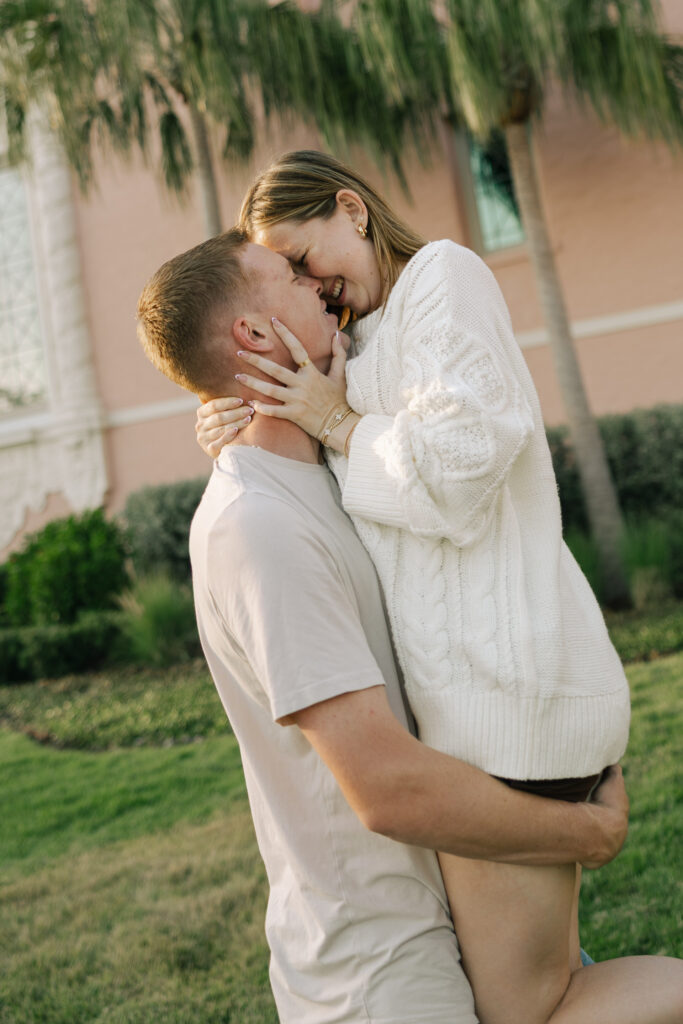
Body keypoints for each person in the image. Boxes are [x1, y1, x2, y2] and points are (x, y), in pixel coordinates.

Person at [195, 152, 683, 1024]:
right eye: (291, 282)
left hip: (509, 705)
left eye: (306, 263)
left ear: (351, 209)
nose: (314, 289)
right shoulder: (365, 341)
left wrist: (335, 420)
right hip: (481, 714)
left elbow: (456, 467)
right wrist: (237, 408)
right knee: (537, 993)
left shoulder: (442, 277)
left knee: (532, 1009)